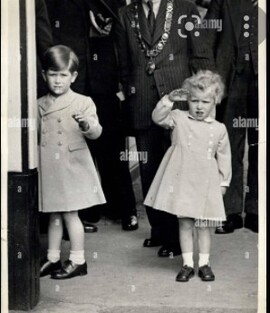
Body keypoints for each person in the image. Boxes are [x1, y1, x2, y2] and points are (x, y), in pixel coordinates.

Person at [115, 0, 214, 257]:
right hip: (142, 103)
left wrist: (204, 98)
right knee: (150, 171)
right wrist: (130, 94)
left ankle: (175, 237)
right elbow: (124, 64)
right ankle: (159, 229)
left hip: (178, 101)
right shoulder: (126, 14)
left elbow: (201, 56)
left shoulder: (186, 10)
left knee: (176, 171)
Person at [44, 0, 138, 232]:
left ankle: (125, 208)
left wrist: (124, 80)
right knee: (73, 146)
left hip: (103, 76)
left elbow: (119, 27)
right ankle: (85, 210)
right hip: (70, 77)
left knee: (112, 144)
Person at [144, 70, 231, 281]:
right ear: (187, 100)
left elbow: (224, 157)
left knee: (203, 225)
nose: (199, 106)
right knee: (184, 224)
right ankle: (186, 264)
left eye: (205, 101)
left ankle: (204, 263)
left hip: (206, 184)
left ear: (215, 102)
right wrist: (169, 99)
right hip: (182, 181)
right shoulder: (178, 118)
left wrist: (223, 184)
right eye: (194, 101)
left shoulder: (219, 129)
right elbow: (157, 117)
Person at [39, 45, 106, 279]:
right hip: (50, 166)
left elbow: (96, 133)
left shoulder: (83, 102)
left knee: (70, 214)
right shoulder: (38, 104)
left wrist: (86, 124)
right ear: (44, 75)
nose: (58, 81)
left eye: (63, 75)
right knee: (54, 213)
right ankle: (53, 257)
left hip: (72, 165)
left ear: (73, 77)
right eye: (53, 74)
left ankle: (78, 260)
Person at [205, 0, 258, 233]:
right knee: (229, 146)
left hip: (262, 80)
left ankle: (257, 210)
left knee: (262, 145)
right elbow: (206, 35)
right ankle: (230, 211)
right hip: (232, 79)